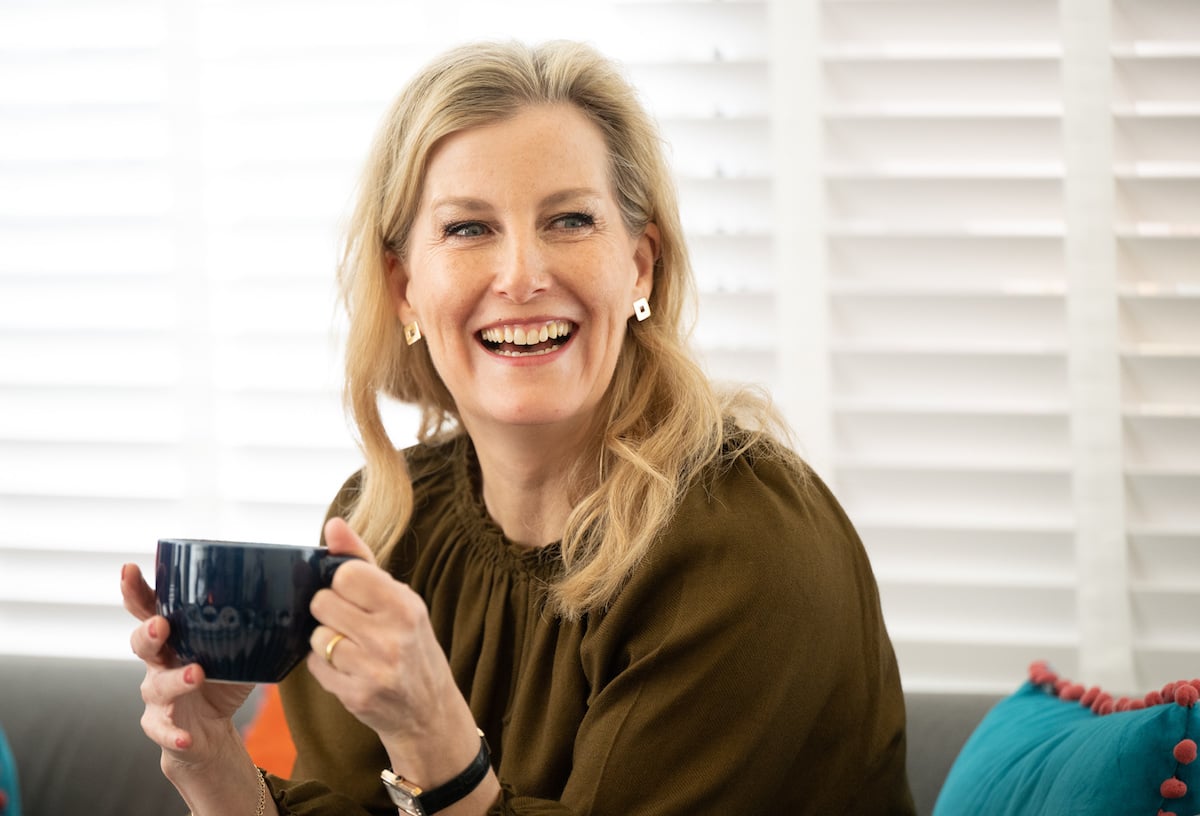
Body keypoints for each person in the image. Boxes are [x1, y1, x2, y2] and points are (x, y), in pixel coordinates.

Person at [121, 39, 915, 815]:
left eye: (569, 220)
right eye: (469, 228)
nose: (523, 277)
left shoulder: (745, 542)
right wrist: (218, 770)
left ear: (640, 266)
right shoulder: (387, 518)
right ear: (403, 288)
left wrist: (433, 739)